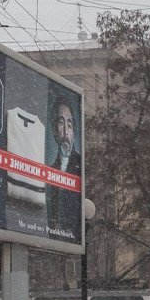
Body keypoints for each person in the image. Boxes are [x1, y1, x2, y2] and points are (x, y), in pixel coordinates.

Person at [45, 97, 83, 238]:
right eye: (61, 123)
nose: (66, 131)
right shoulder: (50, 170)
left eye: (70, 124)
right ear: (55, 130)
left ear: (74, 131)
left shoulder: (81, 167)